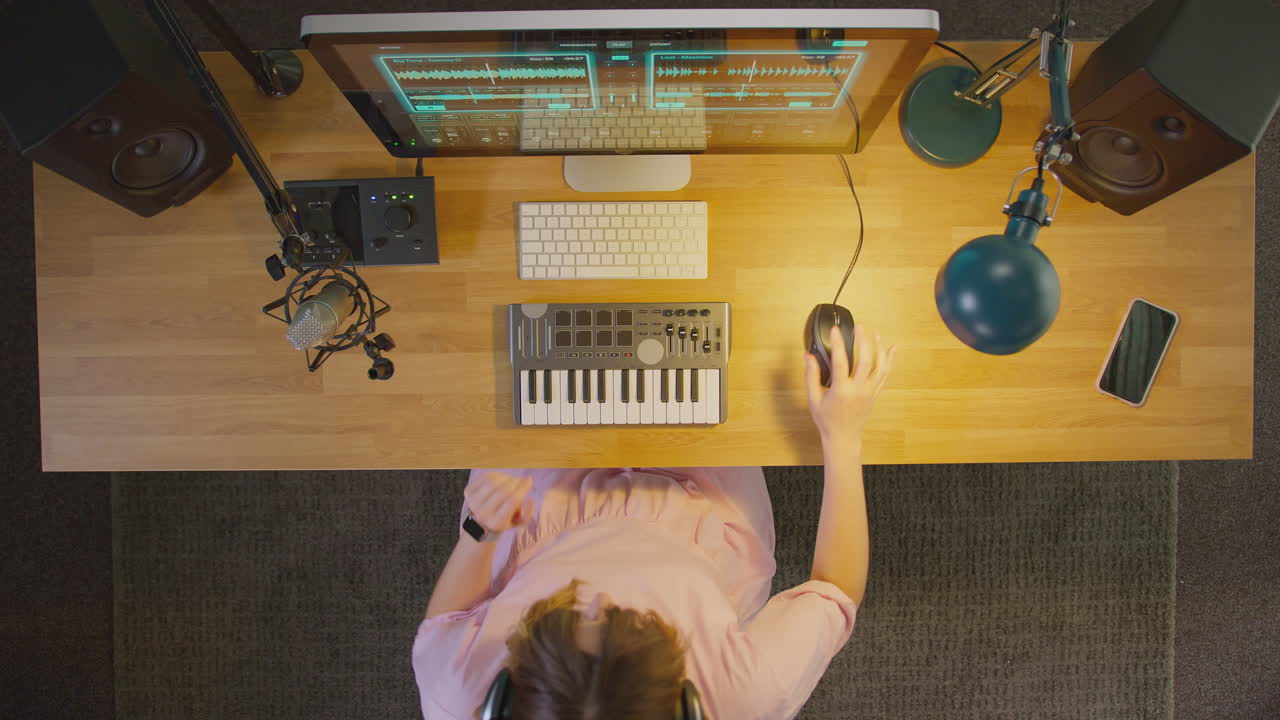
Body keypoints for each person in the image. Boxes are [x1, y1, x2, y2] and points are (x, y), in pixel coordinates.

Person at [414, 324, 896, 720]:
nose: (603, 591)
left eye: (574, 614)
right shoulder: (747, 696)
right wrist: (843, 436)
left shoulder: (456, 694)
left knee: (515, 343)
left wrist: (480, 530)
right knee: (725, 356)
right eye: (628, 617)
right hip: (703, 518)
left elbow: (448, 620)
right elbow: (835, 590)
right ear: (690, 704)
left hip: (534, 519)